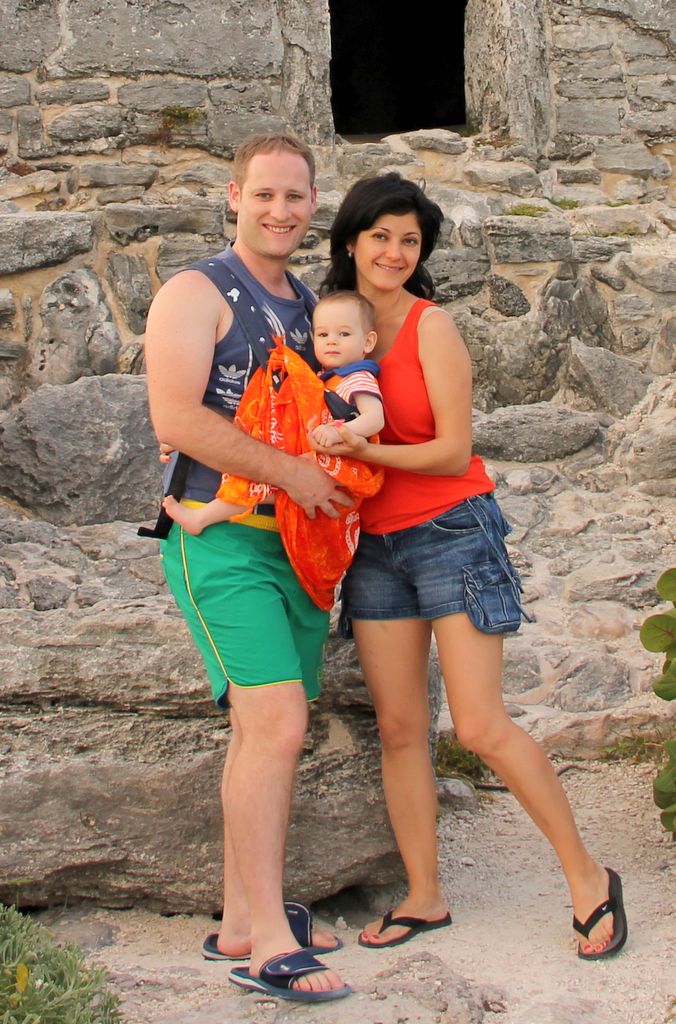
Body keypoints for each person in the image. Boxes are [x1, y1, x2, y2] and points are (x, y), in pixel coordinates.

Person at [312, 172, 628, 961]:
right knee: (399, 729)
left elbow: (453, 451)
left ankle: (589, 877)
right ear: (351, 239)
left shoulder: (431, 327)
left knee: (481, 725)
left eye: (410, 241)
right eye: (381, 236)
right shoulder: (325, 326)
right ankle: (425, 896)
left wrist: (364, 452)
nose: (395, 253)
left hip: (451, 529)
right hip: (374, 549)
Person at [143, 132, 352, 1003]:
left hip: (299, 550)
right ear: (234, 196)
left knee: (263, 729)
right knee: (277, 725)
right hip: (222, 544)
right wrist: (294, 473)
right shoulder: (195, 292)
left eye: (295, 196)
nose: (280, 210)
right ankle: (268, 944)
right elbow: (178, 420)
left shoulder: (312, 308)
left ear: (313, 204)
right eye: (263, 194)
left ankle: (240, 914)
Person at [162, 290, 384, 534]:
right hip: (320, 456)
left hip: (340, 462)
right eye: (323, 334)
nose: (332, 341)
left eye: (344, 334)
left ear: (368, 342)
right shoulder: (324, 377)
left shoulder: (357, 377)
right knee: (266, 485)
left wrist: (338, 431)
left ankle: (201, 518)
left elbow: (374, 419)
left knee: (262, 485)